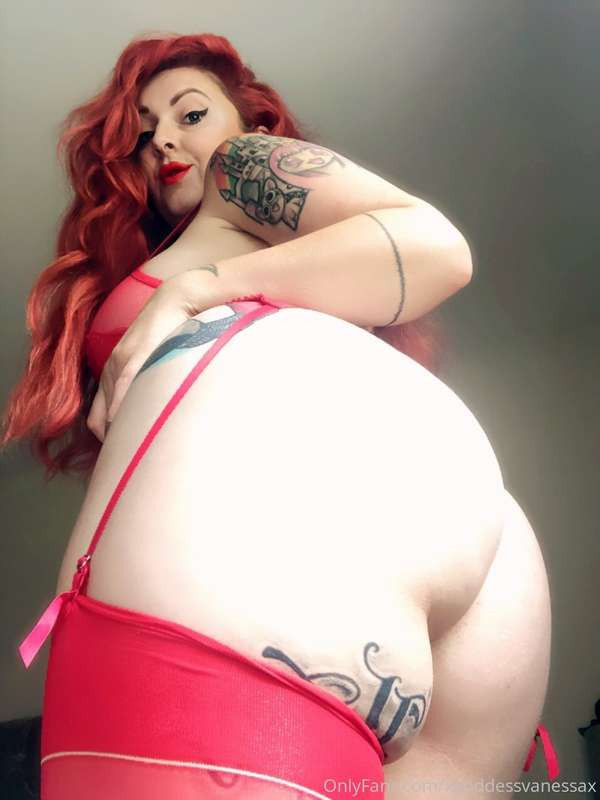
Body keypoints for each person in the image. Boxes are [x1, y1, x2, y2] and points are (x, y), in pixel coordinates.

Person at [2, 33, 555, 800]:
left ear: (252, 123)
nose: (163, 140)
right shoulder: (247, 243)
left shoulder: (242, 168)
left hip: (276, 562)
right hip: (454, 548)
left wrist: (193, 288)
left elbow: (435, 248)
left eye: (191, 113)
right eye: (142, 134)